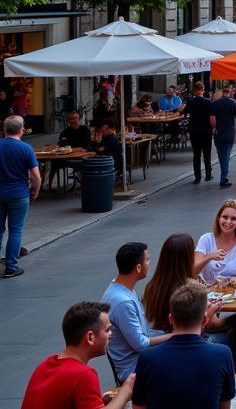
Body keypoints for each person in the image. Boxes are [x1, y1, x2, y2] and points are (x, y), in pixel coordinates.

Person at [132, 281, 235, 409]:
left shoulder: (147, 358)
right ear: (204, 320)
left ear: (171, 319)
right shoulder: (222, 354)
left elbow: (138, 406)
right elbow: (225, 406)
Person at [21, 301, 135, 409]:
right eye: (107, 330)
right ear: (90, 337)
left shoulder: (45, 363)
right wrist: (127, 389)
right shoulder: (84, 375)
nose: (111, 334)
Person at [100, 242, 171, 382]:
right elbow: (140, 343)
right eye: (147, 259)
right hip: (132, 368)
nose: (150, 264)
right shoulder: (123, 302)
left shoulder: (121, 288)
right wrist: (174, 336)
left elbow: (143, 333)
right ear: (138, 267)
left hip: (140, 358)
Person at [0, 115, 40, 278]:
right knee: (15, 230)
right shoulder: (26, 148)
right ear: (21, 130)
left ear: (5, 130)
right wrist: (35, 190)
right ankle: (11, 266)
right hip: (19, 194)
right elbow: (35, 176)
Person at [194, 199, 236, 287]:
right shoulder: (206, 239)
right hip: (208, 293)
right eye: (225, 217)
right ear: (218, 218)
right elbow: (194, 271)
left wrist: (229, 284)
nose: (228, 222)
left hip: (234, 291)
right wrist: (209, 257)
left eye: (233, 219)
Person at [209, 87, 236, 189]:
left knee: (221, 156)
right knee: (226, 156)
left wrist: (215, 128)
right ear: (230, 92)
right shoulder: (234, 104)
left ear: (223, 93)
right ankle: (224, 177)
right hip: (229, 133)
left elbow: (212, 119)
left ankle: (224, 176)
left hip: (219, 133)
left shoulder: (215, 104)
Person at [184, 83, 213, 185]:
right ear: (203, 90)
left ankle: (197, 177)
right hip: (206, 130)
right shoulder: (208, 102)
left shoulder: (190, 102)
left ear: (194, 90)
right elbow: (211, 117)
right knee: (207, 154)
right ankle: (208, 174)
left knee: (196, 155)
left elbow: (184, 112)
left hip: (194, 131)